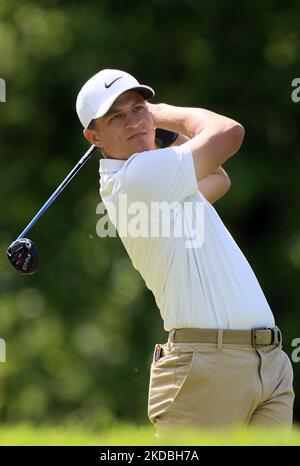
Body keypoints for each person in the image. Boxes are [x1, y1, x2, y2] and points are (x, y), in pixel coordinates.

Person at [76, 69, 294, 430]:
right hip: (206, 368)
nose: (133, 121)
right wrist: (161, 112)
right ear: (93, 136)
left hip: (266, 364)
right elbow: (229, 132)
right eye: (116, 116)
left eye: (137, 109)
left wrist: (153, 126)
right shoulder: (136, 179)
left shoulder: (156, 179)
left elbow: (217, 178)